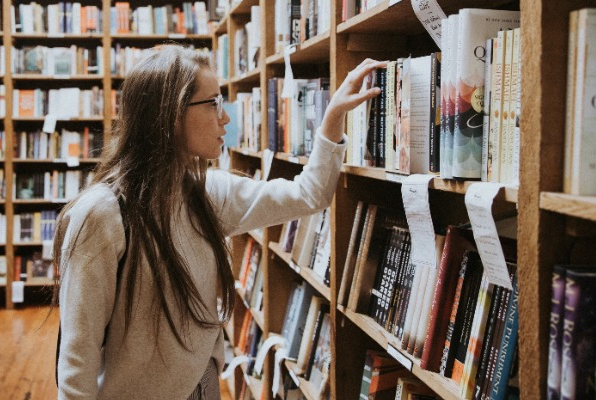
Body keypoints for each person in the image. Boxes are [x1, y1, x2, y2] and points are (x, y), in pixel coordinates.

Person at [53, 45, 385, 399]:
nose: (225, 118)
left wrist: (332, 118)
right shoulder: (102, 214)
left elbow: (309, 195)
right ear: (171, 115)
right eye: (213, 103)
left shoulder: (207, 193)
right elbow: (78, 358)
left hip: (203, 387)